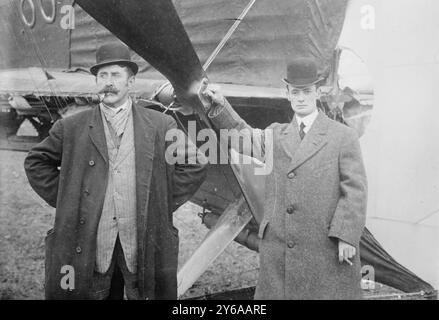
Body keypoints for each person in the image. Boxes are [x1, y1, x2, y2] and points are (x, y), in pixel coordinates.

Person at [24, 43, 206, 300]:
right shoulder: (71, 127)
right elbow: (36, 162)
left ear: (131, 81)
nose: (108, 83)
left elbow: (195, 162)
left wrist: (158, 202)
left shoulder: (162, 124)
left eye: (115, 75)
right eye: (102, 76)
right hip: (91, 242)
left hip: (140, 242)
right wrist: (69, 201)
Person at [201, 57, 368, 299]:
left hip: (326, 245)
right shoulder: (276, 134)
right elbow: (241, 135)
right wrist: (219, 107)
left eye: (307, 91)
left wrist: (346, 236)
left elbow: (355, 190)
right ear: (287, 93)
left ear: (317, 92)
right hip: (281, 245)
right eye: (295, 91)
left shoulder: (343, 136)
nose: (301, 98)